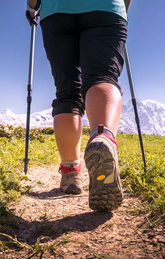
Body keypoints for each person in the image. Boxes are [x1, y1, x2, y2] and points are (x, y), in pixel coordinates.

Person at [26, 0, 131, 212]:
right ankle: (103, 137)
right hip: (106, 8)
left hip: (56, 12)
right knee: (103, 76)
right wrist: (120, 8)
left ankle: (71, 172)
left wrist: (31, 8)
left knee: (67, 92)